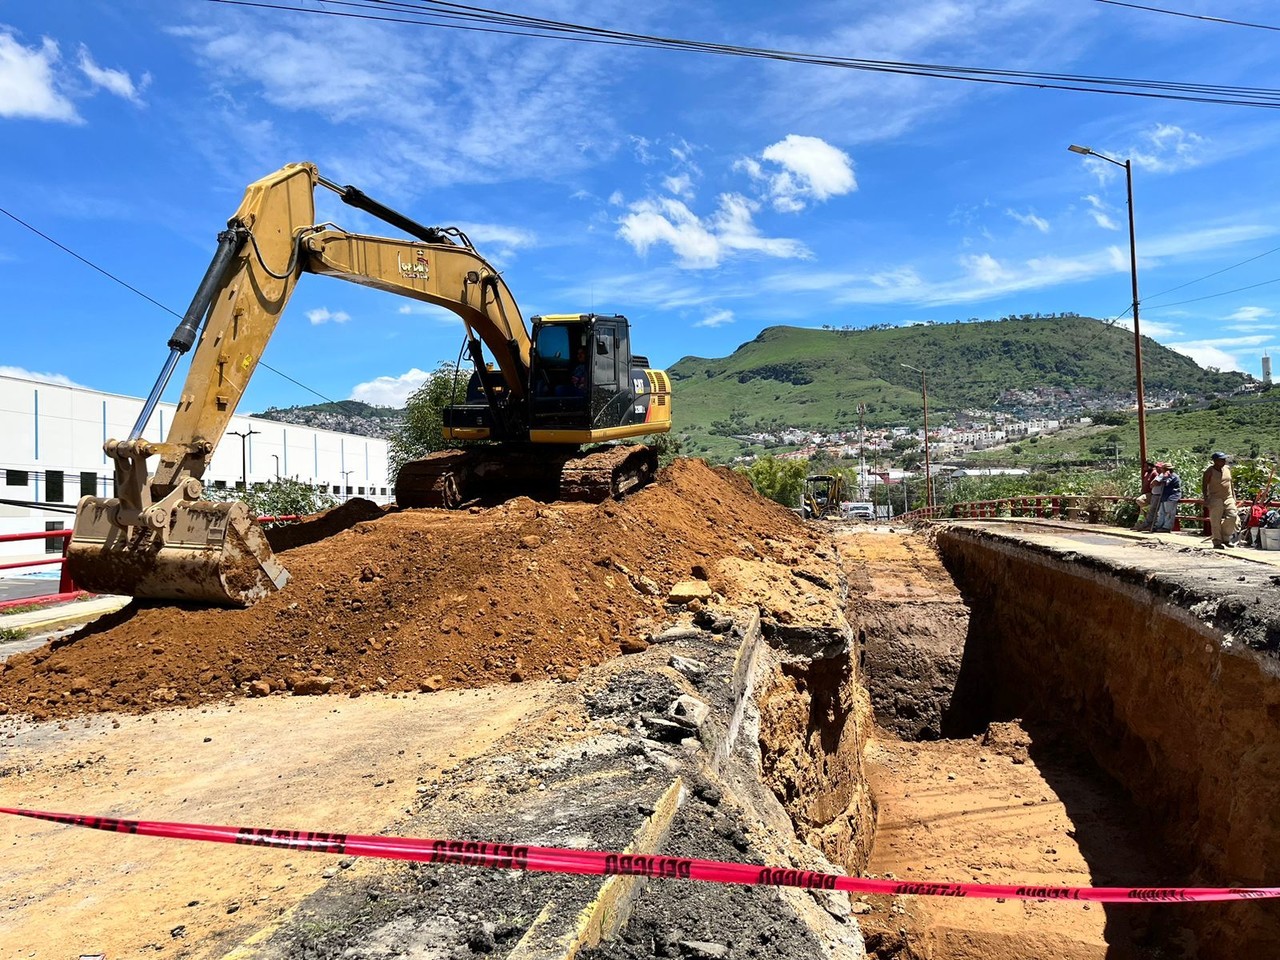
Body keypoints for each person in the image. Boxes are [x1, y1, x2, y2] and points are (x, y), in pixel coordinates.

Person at [1202, 452, 1238, 549]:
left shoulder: (1227, 469)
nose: (1224, 461)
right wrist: (1206, 498)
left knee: (1232, 516)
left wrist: (1234, 497)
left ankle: (1226, 538)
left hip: (1228, 497)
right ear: (1215, 461)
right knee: (1215, 520)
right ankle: (1217, 541)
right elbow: (1204, 485)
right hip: (1215, 497)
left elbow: (1231, 483)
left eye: (1224, 459)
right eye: (1221, 459)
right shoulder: (1209, 471)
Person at [1135, 461, 1164, 532]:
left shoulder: (1154, 473)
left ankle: (1148, 510)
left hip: (1150, 494)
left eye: (1146, 466)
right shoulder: (1147, 473)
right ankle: (1139, 524)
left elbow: (1154, 483)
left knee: (1139, 501)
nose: (1144, 468)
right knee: (1142, 512)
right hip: (1146, 493)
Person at [1154, 464, 1180, 533]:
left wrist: (1165, 477)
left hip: (1171, 497)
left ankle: (1166, 527)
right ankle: (1159, 525)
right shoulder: (1164, 476)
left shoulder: (1172, 476)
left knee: (1169, 513)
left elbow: (1167, 483)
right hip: (1164, 496)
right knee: (1161, 512)